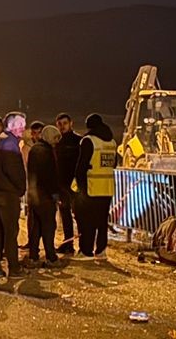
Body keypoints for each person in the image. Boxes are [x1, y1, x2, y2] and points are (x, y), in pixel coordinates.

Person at [0, 112, 28, 278]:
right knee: (11, 231)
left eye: (24, 124)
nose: (23, 127)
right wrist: (21, 188)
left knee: (0, 230)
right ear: (10, 125)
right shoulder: (9, 143)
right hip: (7, 193)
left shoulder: (1, 140)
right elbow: (13, 169)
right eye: (19, 124)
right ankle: (14, 268)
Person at [76, 113, 119, 256]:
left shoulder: (88, 141)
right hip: (107, 188)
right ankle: (101, 251)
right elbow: (114, 163)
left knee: (87, 221)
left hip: (91, 187)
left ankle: (86, 251)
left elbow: (81, 166)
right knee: (102, 221)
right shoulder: (112, 142)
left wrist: (80, 188)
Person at [25, 123, 61, 266]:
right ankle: (51, 257)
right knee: (48, 226)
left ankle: (33, 256)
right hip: (45, 196)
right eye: (56, 138)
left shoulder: (35, 149)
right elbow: (49, 176)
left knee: (36, 228)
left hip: (34, 195)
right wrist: (55, 194)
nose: (57, 141)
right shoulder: (46, 152)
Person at [52, 113, 82, 253]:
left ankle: (83, 245)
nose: (62, 126)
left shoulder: (79, 141)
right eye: (60, 124)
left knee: (79, 216)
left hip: (76, 185)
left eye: (65, 123)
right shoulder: (56, 142)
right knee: (65, 216)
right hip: (62, 185)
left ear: (71, 123)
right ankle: (68, 243)